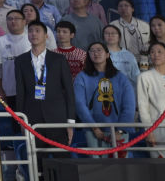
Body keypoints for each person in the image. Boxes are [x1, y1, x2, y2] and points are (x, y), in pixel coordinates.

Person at [13, 21, 76, 169]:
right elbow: (20, 92)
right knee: (38, 164)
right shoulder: (21, 60)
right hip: (32, 119)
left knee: (63, 163)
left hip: (57, 118)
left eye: (37, 31)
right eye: (30, 31)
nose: (33, 34)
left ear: (46, 36)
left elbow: (69, 91)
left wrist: (70, 122)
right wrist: (21, 120)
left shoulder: (58, 59)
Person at [74, 42, 135, 149]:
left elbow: (129, 106)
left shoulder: (121, 77)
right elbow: (80, 104)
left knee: (120, 159)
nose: (96, 53)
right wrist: (94, 128)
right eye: (92, 51)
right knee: (96, 159)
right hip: (93, 131)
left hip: (119, 130)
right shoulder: (81, 77)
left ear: (107, 54)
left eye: (99, 50)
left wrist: (120, 130)